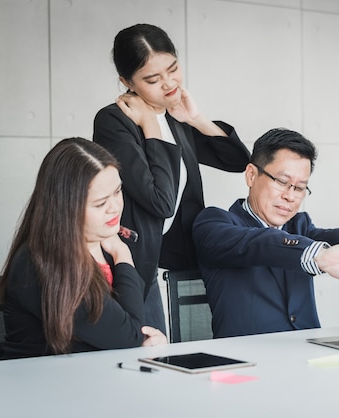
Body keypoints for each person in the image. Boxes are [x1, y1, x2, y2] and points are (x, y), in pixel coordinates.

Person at [93, 23, 250, 333]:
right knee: (148, 357)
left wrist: (196, 119)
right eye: (152, 79)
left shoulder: (174, 116)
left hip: (176, 259)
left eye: (173, 69)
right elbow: (160, 201)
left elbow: (239, 162)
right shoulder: (114, 121)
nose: (168, 84)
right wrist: (151, 125)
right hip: (137, 265)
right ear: (127, 82)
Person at [193, 128, 339, 338]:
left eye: (300, 188)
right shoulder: (215, 223)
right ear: (251, 175)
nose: (290, 196)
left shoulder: (300, 227)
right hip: (248, 361)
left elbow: (332, 236)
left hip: (308, 355)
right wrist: (319, 257)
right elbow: (257, 243)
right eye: (283, 182)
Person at [0, 138, 167, 359]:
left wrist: (148, 342)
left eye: (117, 192)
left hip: (95, 380)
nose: (115, 207)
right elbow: (127, 335)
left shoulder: (105, 246)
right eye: (100, 203)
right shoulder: (40, 261)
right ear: (65, 208)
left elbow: (131, 332)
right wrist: (122, 254)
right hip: (40, 386)